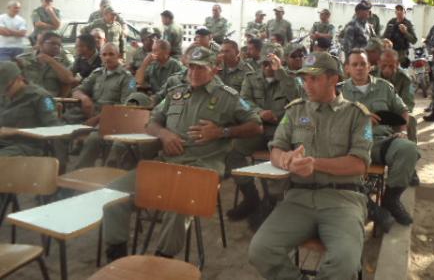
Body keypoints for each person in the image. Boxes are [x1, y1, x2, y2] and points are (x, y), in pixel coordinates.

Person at [103, 47, 262, 261]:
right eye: (191, 67)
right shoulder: (175, 93)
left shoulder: (228, 97)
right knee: (113, 193)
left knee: (178, 204)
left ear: (214, 69)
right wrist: (165, 134)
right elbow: (151, 122)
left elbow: (256, 125)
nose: (194, 73)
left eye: (201, 68)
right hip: (166, 162)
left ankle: (162, 260)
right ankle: (117, 253)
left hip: (202, 167)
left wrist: (221, 132)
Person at [248, 51, 372, 280]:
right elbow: (276, 148)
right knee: (260, 249)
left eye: (314, 78)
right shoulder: (295, 111)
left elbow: (359, 165)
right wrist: (284, 160)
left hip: (342, 200)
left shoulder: (357, 115)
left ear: (333, 79)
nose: (307, 85)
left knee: (344, 264)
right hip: (298, 198)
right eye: (304, 79)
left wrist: (314, 164)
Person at [341, 49, 418, 226]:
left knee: (408, 149)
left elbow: (403, 110)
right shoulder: (338, 92)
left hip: (380, 142)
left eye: (363, 64)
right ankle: (368, 205)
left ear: (370, 67)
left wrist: (403, 131)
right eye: (355, 64)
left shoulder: (384, 87)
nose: (359, 68)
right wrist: (362, 120)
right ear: (347, 69)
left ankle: (391, 199)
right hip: (351, 145)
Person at [227, 43, 302, 222]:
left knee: (280, 160)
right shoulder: (251, 78)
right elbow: (242, 101)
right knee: (232, 153)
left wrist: (281, 73)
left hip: (281, 131)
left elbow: (299, 99)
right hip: (257, 128)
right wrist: (260, 112)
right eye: (264, 64)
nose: (267, 68)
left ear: (281, 62)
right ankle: (251, 197)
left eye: (272, 64)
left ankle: (272, 200)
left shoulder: (291, 79)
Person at [67, 42, 137, 170]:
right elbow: (77, 90)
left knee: (93, 139)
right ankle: (56, 171)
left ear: (119, 56)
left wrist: (97, 119)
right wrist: (84, 98)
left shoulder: (127, 78)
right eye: (104, 55)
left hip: (112, 119)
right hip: (90, 114)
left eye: (111, 54)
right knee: (60, 128)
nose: (107, 58)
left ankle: (79, 174)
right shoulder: (97, 73)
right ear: (100, 56)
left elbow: (124, 107)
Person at [0, 61, 62, 156]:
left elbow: (55, 130)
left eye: (7, 88)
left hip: (28, 146)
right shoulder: (4, 96)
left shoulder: (42, 97)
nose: (4, 93)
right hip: (4, 143)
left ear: (19, 78)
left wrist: (17, 132)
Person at [16, 32, 74, 97]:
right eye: (53, 43)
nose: (56, 47)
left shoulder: (61, 62)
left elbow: (69, 79)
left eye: (59, 45)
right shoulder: (23, 59)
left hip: (51, 100)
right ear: (41, 43)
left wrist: (51, 61)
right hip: (27, 100)